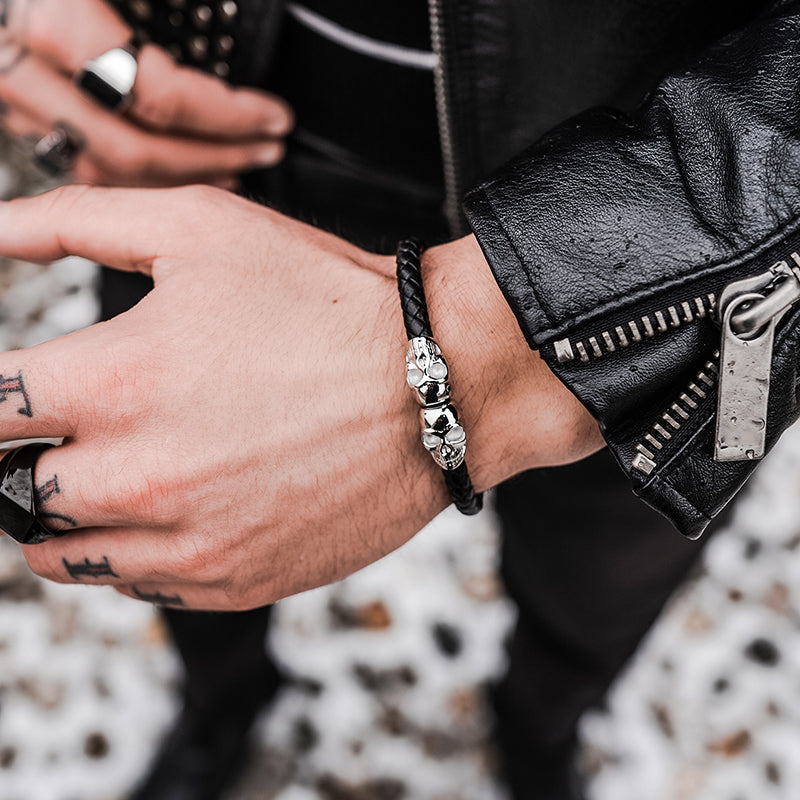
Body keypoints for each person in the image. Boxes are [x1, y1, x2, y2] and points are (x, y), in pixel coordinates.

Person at [1, 1, 799, 799]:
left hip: (639, 197)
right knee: (173, 532)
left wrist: (481, 346)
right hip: (204, 142)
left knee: (593, 593)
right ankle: (222, 706)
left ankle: (539, 731)